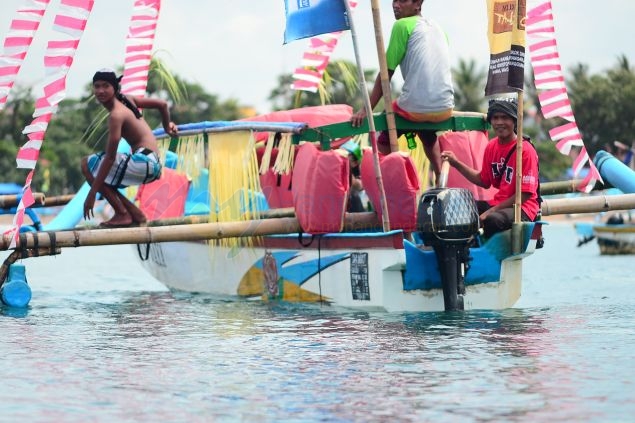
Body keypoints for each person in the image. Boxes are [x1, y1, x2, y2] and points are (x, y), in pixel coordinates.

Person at [350, 0, 454, 182]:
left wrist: (365, 110)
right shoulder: (439, 28)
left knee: (386, 128)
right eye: (394, 0)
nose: (395, 5)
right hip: (445, 108)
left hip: (416, 108)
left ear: (417, 4)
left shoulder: (401, 26)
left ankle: (393, 178)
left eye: (402, 1)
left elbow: (385, 75)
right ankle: (439, 176)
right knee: (426, 130)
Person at [81, 68, 178, 227]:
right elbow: (162, 105)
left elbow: (110, 158)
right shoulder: (127, 100)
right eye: (97, 86)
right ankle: (135, 214)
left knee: (87, 165)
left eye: (105, 86)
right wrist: (167, 126)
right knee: (101, 177)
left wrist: (91, 195)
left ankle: (121, 213)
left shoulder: (116, 115)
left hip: (145, 162)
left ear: (115, 88)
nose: (100, 90)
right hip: (150, 163)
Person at [440, 98, 540, 238]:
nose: (499, 122)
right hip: (499, 204)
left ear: (514, 121)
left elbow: (525, 195)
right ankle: (461, 249)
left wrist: (492, 211)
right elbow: (483, 180)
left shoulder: (525, 150)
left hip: (523, 207)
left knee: (493, 220)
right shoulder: (491, 146)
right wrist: (455, 162)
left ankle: (485, 253)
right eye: (495, 118)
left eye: (505, 117)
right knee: (457, 208)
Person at [338, 140, 366, 213]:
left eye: (345, 156)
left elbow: (359, 185)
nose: (341, 159)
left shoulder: (361, 172)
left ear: (355, 163)